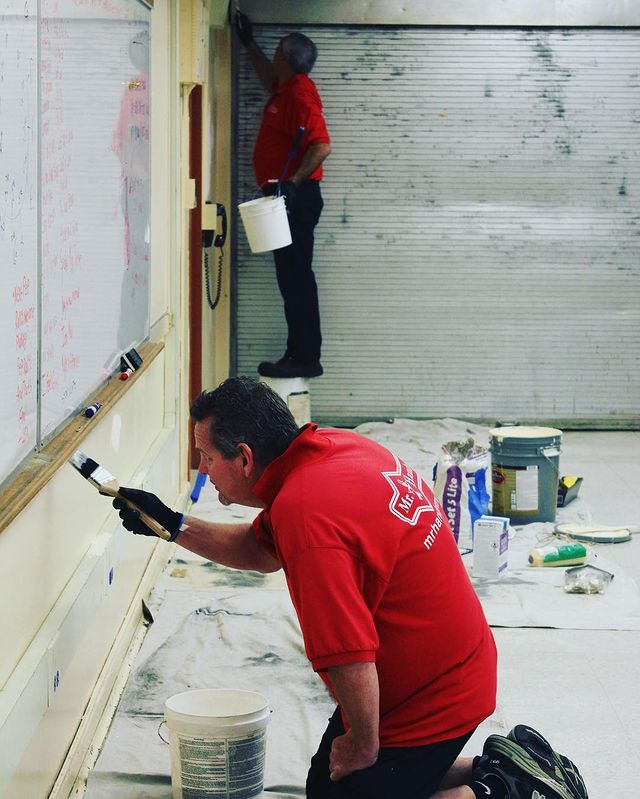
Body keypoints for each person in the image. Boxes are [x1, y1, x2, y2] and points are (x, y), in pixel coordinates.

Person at [113, 377, 588, 799]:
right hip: (452, 662)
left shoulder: (307, 515)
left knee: (348, 785)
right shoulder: (331, 449)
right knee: (334, 785)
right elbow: (259, 551)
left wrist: (362, 746)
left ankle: (507, 790)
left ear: (244, 458)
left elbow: (348, 652)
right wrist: (171, 525)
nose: (202, 470)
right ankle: (502, 767)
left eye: (206, 457)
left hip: (434, 697)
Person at [235, 12, 331, 379]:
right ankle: (298, 352)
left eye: (276, 52)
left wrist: (292, 182)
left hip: (297, 198)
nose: (273, 58)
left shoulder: (301, 93)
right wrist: (249, 44)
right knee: (291, 278)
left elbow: (321, 146)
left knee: (297, 278)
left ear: (287, 59)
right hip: (285, 198)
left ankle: (305, 356)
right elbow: (268, 75)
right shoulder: (285, 89)